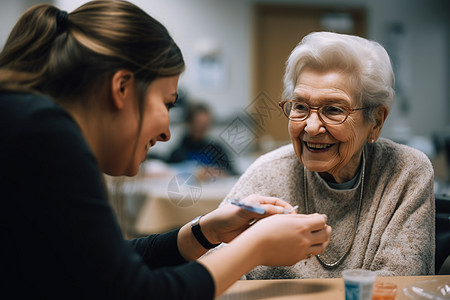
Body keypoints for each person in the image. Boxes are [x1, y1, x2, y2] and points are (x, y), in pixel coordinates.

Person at [0, 1, 331, 299]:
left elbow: (102, 264)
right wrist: (255, 246)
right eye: (166, 104)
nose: (166, 132)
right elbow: (134, 291)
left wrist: (206, 231)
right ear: (122, 88)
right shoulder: (44, 133)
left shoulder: (29, 123)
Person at [221, 31, 435, 279]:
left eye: (333, 110)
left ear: (376, 121)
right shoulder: (268, 172)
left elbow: (399, 284)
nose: (311, 127)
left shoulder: (406, 172)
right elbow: (208, 272)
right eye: (300, 106)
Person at [168, 102, 238, 177]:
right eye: (198, 124)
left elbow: (233, 173)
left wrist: (219, 173)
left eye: (205, 125)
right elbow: (169, 173)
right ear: (189, 123)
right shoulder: (178, 153)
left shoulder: (216, 150)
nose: (202, 128)